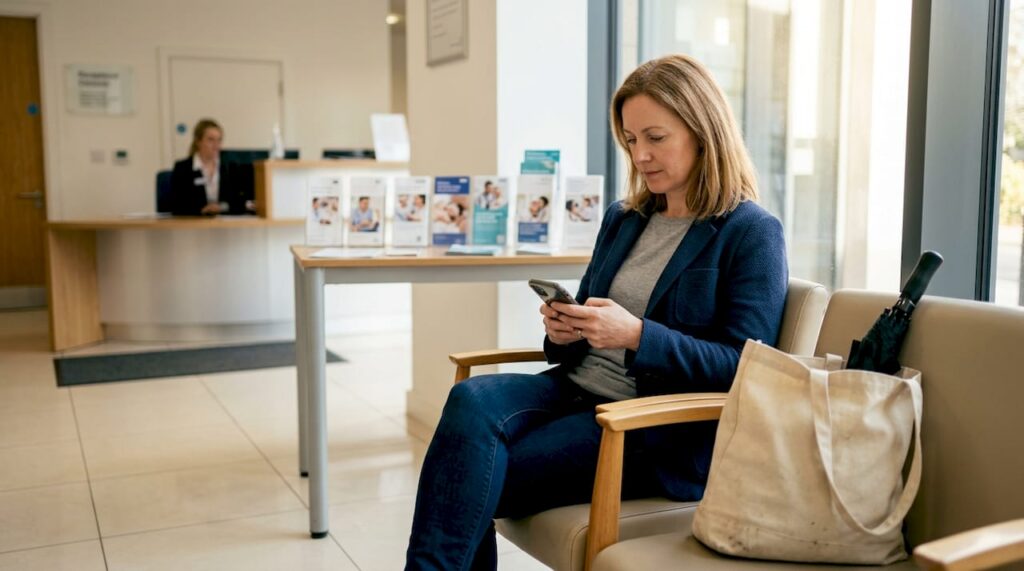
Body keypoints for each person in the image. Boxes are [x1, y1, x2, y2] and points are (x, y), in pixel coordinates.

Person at [404, 53, 788, 570]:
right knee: (470, 399)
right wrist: (564, 330)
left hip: (648, 426)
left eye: (656, 137)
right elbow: (588, 313)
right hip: (575, 389)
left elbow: (744, 366)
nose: (641, 155)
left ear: (704, 131)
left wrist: (637, 335)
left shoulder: (751, 232)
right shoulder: (624, 218)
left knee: (468, 471)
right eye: (630, 140)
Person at [169, 118, 252, 216]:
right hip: (194, 222)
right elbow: (177, 205)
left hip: (223, 222)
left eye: (219, 140)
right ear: (198, 141)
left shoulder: (230, 167)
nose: (216, 145)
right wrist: (202, 210)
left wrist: (221, 207)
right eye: (211, 140)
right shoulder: (182, 168)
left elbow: (240, 202)